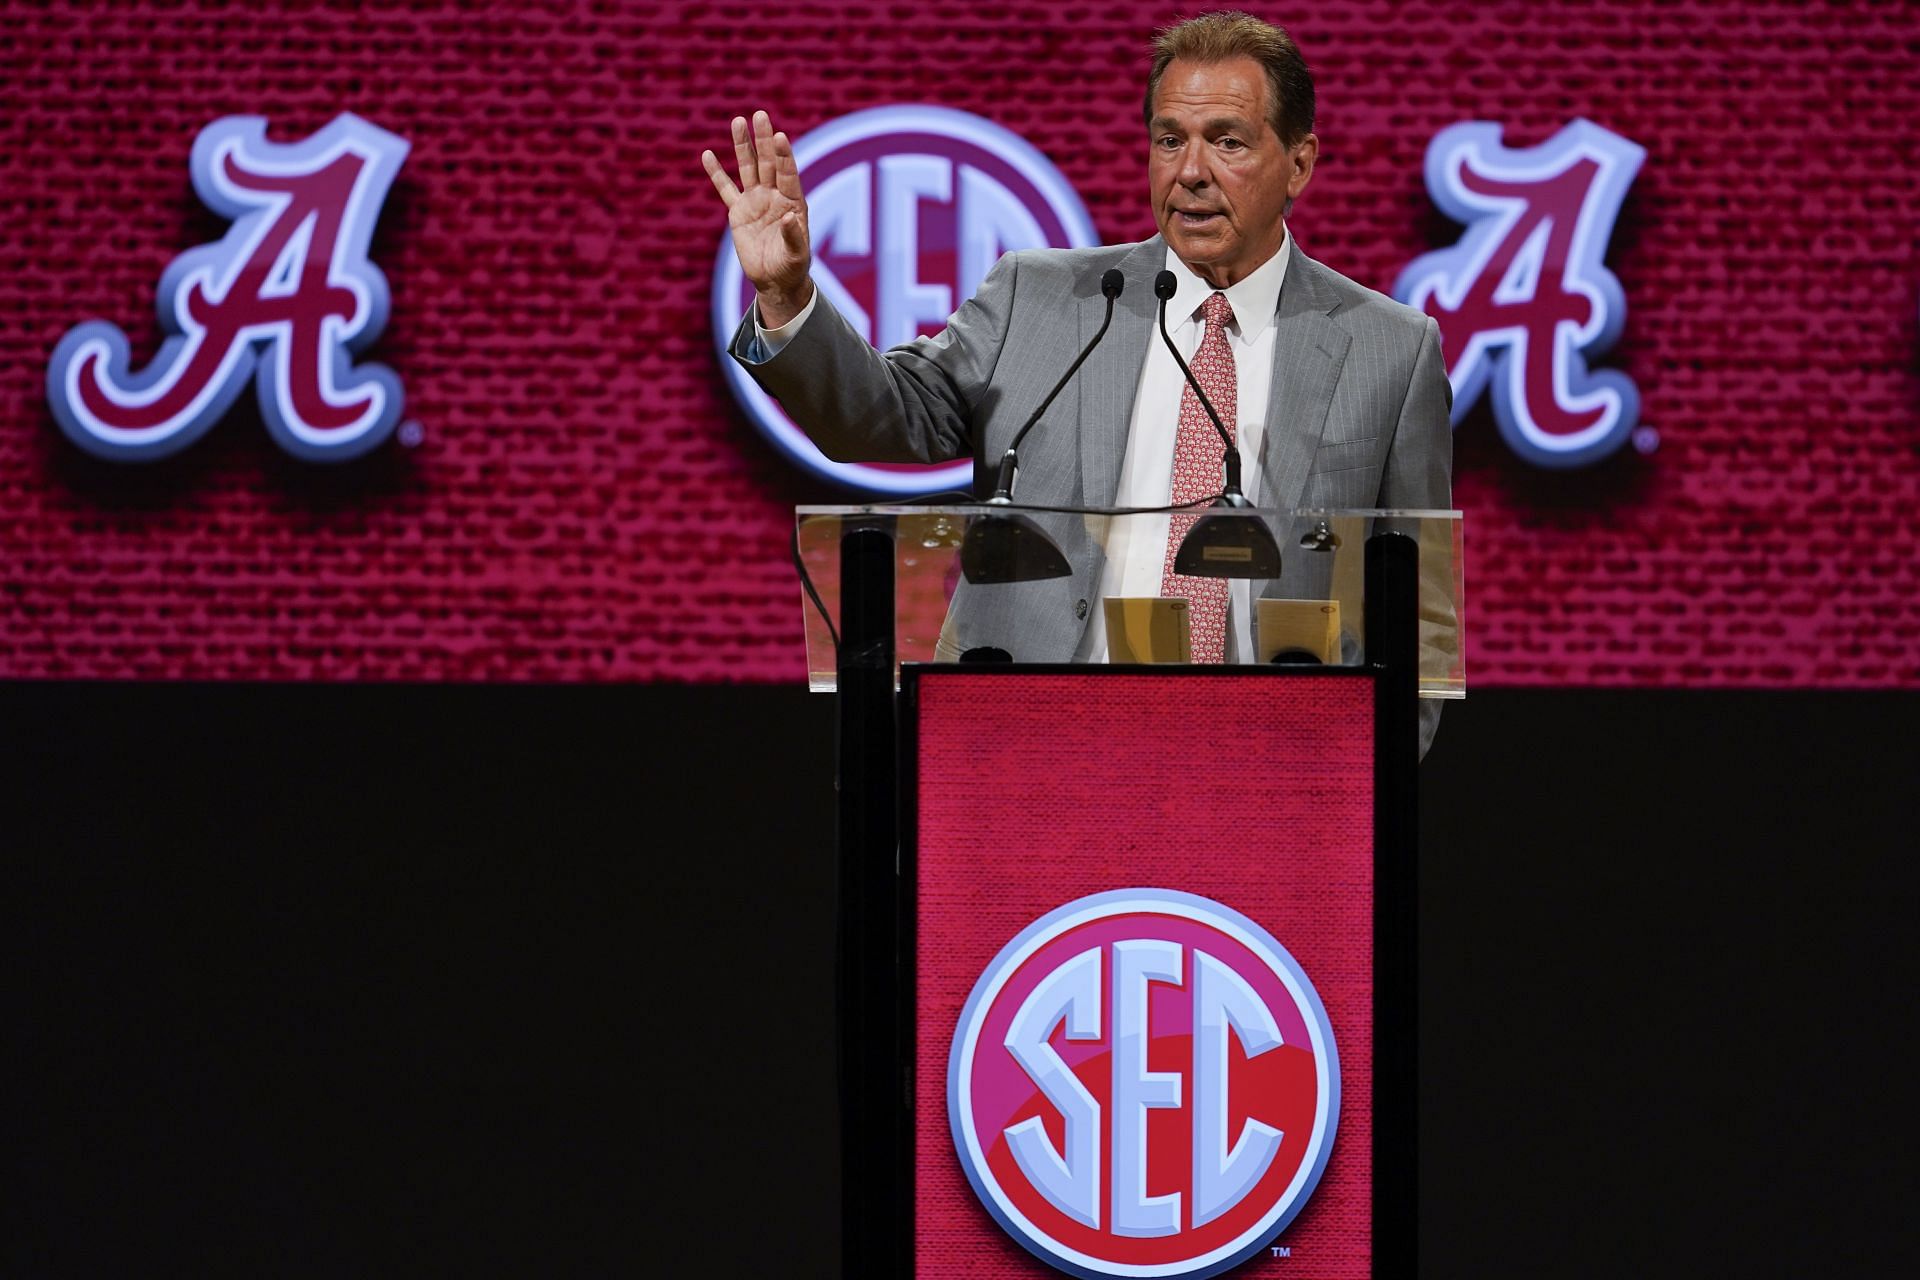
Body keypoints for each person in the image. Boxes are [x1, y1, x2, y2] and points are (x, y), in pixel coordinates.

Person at [703, 11, 1452, 755]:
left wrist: (1362, 783)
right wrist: (787, 297)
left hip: (1271, 769)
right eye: (1169, 140)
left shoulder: (1389, 350)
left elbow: (1421, 611)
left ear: (1298, 163)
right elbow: (878, 418)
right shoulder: (1040, 299)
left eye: (1227, 141)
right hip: (1031, 754)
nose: (1190, 171)